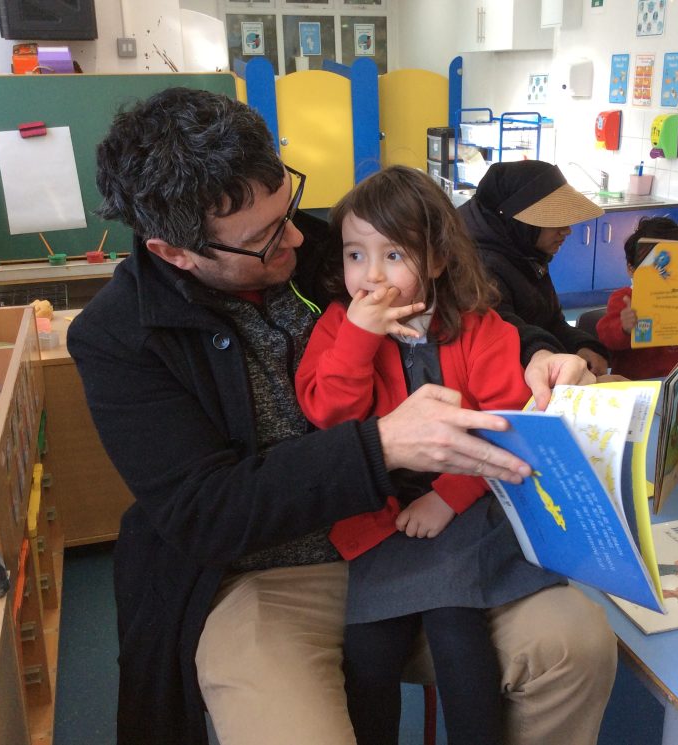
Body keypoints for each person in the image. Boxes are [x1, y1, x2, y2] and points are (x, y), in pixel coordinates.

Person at [67, 87, 617, 745]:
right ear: (175, 252)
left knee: (577, 644)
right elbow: (205, 512)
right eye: (264, 237)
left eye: (288, 206)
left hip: (420, 534)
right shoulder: (119, 338)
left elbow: (463, 311)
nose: (297, 237)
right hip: (265, 577)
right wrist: (380, 447)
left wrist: (541, 353)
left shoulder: (334, 245)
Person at [295, 165, 567, 745]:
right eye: (355, 255)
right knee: (369, 650)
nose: (371, 275)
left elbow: (503, 428)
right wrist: (360, 337)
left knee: (457, 633)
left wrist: (448, 498)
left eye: (394, 255)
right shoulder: (338, 327)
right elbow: (332, 419)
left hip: (465, 507)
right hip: (378, 518)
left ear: (438, 259)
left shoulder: (481, 328)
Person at [459, 160, 611, 376]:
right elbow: (507, 335)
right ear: (518, 223)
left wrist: (581, 345)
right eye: (554, 220)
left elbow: (551, 321)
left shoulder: (525, 252)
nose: (566, 230)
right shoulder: (480, 267)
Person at [595, 216, 678, 379]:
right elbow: (606, 337)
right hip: (633, 383)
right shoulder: (624, 298)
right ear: (631, 269)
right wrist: (624, 327)